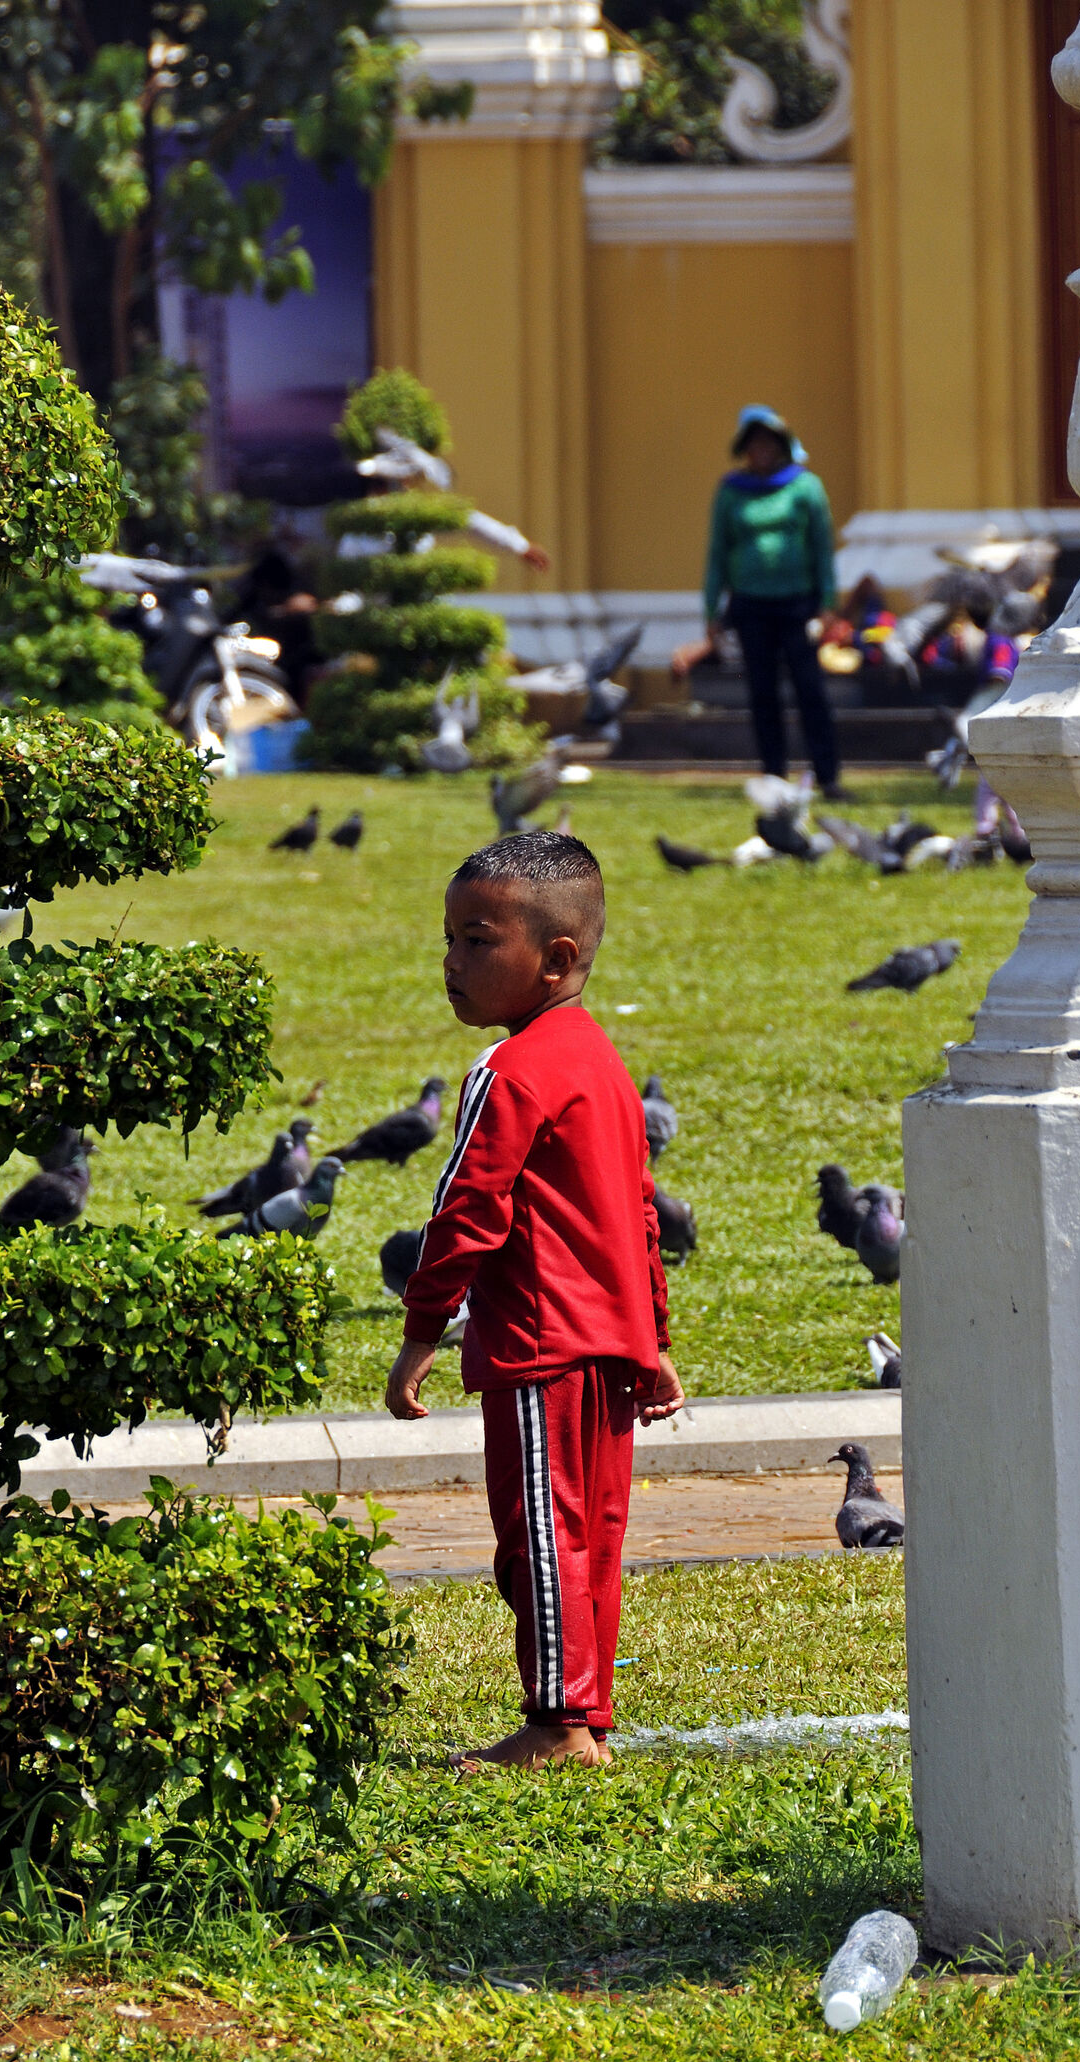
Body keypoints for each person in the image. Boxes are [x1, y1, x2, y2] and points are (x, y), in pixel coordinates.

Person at [385, 829, 686, 1773]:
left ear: (555, 959)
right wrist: (652, 1337)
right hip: (608, 1347)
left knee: (540, 1540)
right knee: (589, 1533)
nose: (451, 962)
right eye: (448, 940)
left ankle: (557, 1724)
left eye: (477, 942)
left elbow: (464, 1210)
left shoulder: (507, 1070)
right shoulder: (599, 1059)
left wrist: (420, 1332)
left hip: (540, 1346)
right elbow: (639, 1212)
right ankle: (583, 1718)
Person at [673, 405, 842, 800]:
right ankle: (773, 776)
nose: (762, 449)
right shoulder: (731, 490)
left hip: (798, 604)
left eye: (769, 442)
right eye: (755, 443)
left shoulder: (805, 487)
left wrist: (828, 602)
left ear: (781, 446)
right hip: (750, 606)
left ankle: (828, 776)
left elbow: (822, 546)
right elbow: (717, 552)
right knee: (762, 693)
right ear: (745, 449)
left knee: (810, 690)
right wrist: (711, 610)